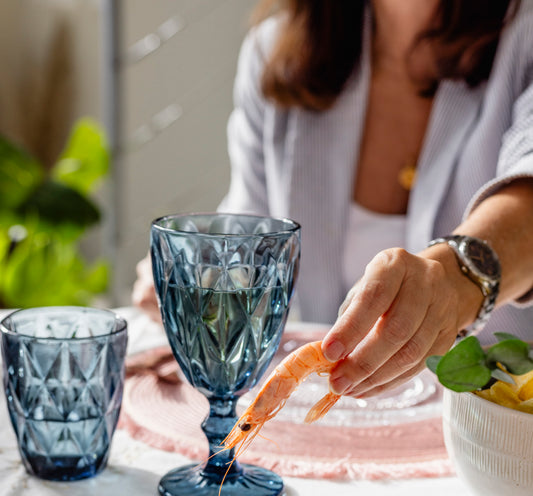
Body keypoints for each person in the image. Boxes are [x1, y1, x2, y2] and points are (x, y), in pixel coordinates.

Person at [133, 0, 533, 402]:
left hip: (498, 440)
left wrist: (458, 277)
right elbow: (249, 239)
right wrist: (200, 279)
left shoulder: (524, 34)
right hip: (328, 426)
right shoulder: (275, 52)